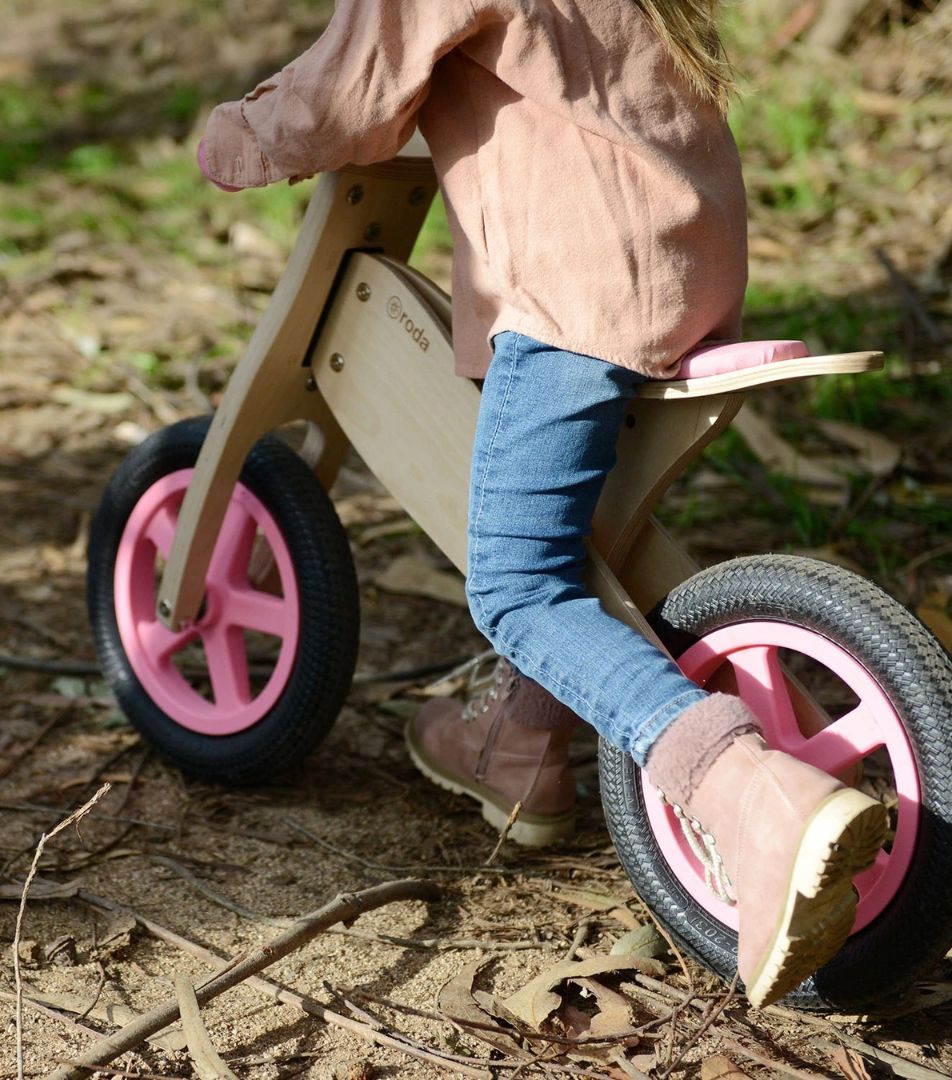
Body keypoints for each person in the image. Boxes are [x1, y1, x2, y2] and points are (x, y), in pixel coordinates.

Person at [198, 0, 886, 1008]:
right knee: (587, 526)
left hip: (579, 289)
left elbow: (348, 94)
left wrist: (239, 133)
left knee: (519, 585)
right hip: (680, 260)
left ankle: (750, 794)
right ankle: (521, 741)